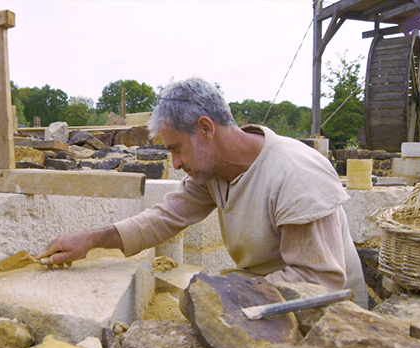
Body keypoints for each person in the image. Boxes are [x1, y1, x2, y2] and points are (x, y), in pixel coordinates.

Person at [37, 77, 368, 309]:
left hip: (328, 314)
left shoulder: (295, 174)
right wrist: (91, 240)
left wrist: (224, 294)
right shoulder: (214, 172)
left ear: (206, 129)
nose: (176, 163)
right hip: (270, 294)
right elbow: (165, 216)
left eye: (177, 149)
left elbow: (316, 283)